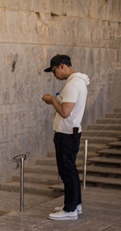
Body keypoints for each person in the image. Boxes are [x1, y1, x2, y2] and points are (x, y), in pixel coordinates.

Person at [42, 54, 89, 220]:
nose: (54, 75)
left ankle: (70, 210)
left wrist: (52, 100)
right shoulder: (79, 81)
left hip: (67, 133)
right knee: (71, 170)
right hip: (72, 131)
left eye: (54, 71)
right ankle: (75, 203)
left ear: (62, 66)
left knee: (67, 171)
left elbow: (65, 112)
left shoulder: (73, 84)